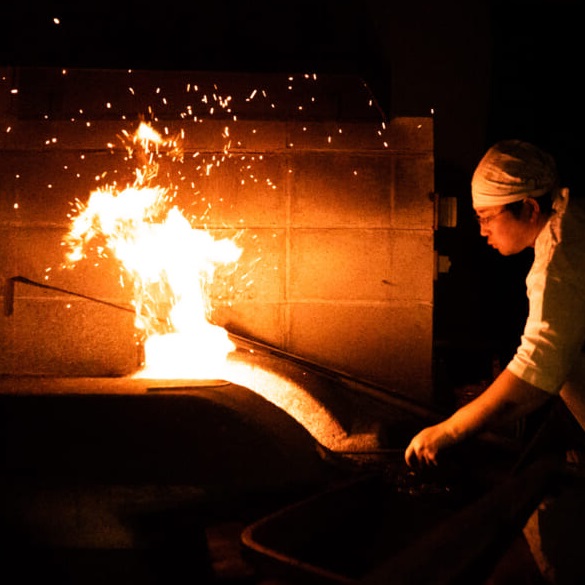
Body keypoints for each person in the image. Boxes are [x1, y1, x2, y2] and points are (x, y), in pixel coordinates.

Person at [404, 139, 585, 584]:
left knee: (556, 532)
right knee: (535, 497)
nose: (482, 231)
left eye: (487, 217)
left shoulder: (561, 258)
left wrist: (445, 432)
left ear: (528, 208)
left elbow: (536, 370)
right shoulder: (571, 221)